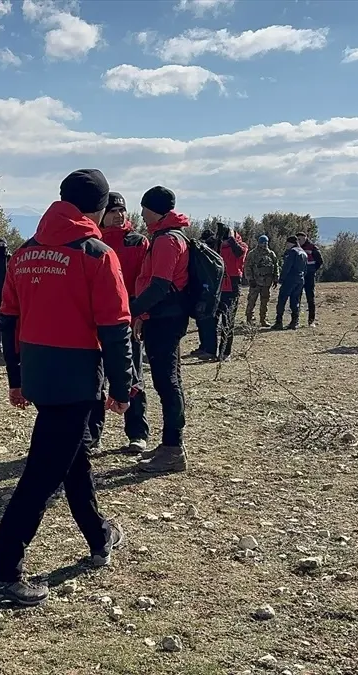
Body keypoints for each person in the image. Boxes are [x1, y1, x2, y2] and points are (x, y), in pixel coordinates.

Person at [0, 168, 132, 607]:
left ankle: (100, 536)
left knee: (75, 459)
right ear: (100, 208)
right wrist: (123, 387)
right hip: (76, 379)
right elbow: (116, 327)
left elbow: (7, 320)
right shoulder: (97, 254)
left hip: (39, 374)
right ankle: (2, 574)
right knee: (40, 478)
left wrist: (15, 378)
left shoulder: (25, 252)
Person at [131, 185, 192, 473]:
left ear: (155, 210)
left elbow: (159, 284)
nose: (142, 216)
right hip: (164, 316)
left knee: (167, 382)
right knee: (168, 381)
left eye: (144, 210)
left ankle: (173, 448)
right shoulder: (167, 236)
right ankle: (169, 444)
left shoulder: (167, 241)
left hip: (165, 319)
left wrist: (133, 310)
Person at [97, 191, 151, 453]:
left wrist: (141, 315)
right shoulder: (92, 242)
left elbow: (145, 280)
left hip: (127, 318)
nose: (119, 215)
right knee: (95, 378)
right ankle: (91, 435)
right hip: (95, 320)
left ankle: (137, 433)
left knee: (132, 375)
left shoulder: (138, 242)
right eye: (113, 211)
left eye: (122, 211)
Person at [215, 222, 248, 361]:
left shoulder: (241, 246)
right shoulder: (221, 245)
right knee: (214, 319)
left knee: (228, 321)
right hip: (219, 285)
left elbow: (239, 253)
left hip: (232, 285)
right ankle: (210, 349)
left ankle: (225, 352)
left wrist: (231, 238)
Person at [187, 229, 220, 361]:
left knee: (209, 322)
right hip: (203, 292)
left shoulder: (212, 257)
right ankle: (204, 347)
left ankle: (210, 351)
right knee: (202, 321)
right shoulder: (206, 255)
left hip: (210, 294)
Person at [272, 236, 307, 330]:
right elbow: (305, 269)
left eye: (287, 243)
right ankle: (295, 322)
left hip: (290, 279)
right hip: (300, 279)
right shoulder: (303, 252)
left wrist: (281, 279)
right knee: (295, 300)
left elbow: (287, 267)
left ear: (291, 243)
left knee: (282, 299)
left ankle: (279, 322)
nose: (286, 245)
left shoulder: (292, 252)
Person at [244, 234, 279, 326]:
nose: (264, 244)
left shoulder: (271, 254)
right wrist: (250, 279)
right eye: (262, 243)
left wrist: (276, 278)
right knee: (252, 301)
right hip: (255, 282)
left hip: (267, 283)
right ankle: (249, 319)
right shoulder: (253, 254)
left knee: (265, 302)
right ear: (259, 243)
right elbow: (248, 267)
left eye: (266, 243)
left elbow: (276, 266)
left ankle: (263, 320)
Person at [296, 232, 323, 327]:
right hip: (298, 276)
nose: (299, 241)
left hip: (309, 276)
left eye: (301, 239)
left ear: (305, 238)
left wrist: (312, 270)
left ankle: (311, 321)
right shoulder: (296, 248)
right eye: (298, 239)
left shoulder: (312, 247)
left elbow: (320, 261)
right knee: (296, 297)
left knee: (310, 298)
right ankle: (295, 321)